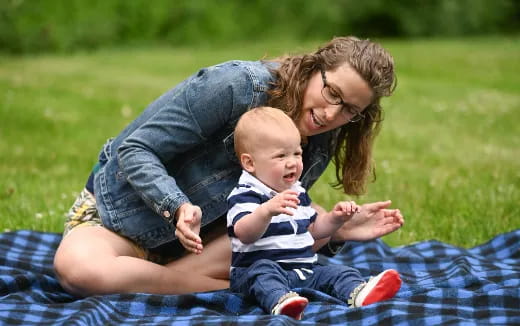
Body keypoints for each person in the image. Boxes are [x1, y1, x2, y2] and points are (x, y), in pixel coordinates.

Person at [53, 36, 404, 297]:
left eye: (349, 110)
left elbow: (274, 212)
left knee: (300, 218)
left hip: (208, 246)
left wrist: (335, 230)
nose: (331, 114)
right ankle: (223, 288)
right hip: (126, 221)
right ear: (314, 68)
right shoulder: (236, 86)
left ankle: (162, 280)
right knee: (77, 269)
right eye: (332, 93)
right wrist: (176, 206)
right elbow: (136, 149)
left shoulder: (323, 136)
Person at [226, 106, 401, 320]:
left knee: (335, 271)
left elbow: (313, 230)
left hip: (302, 269)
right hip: (254, 272)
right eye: (281, 156)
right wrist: (266, 211)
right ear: (250, 162)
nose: (293, 162)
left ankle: (359, 292)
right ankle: (281, 302)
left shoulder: (296, 191)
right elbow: (244, 233)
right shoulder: (247, 194)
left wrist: (335, 219)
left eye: (297, 153)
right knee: (263, 273)